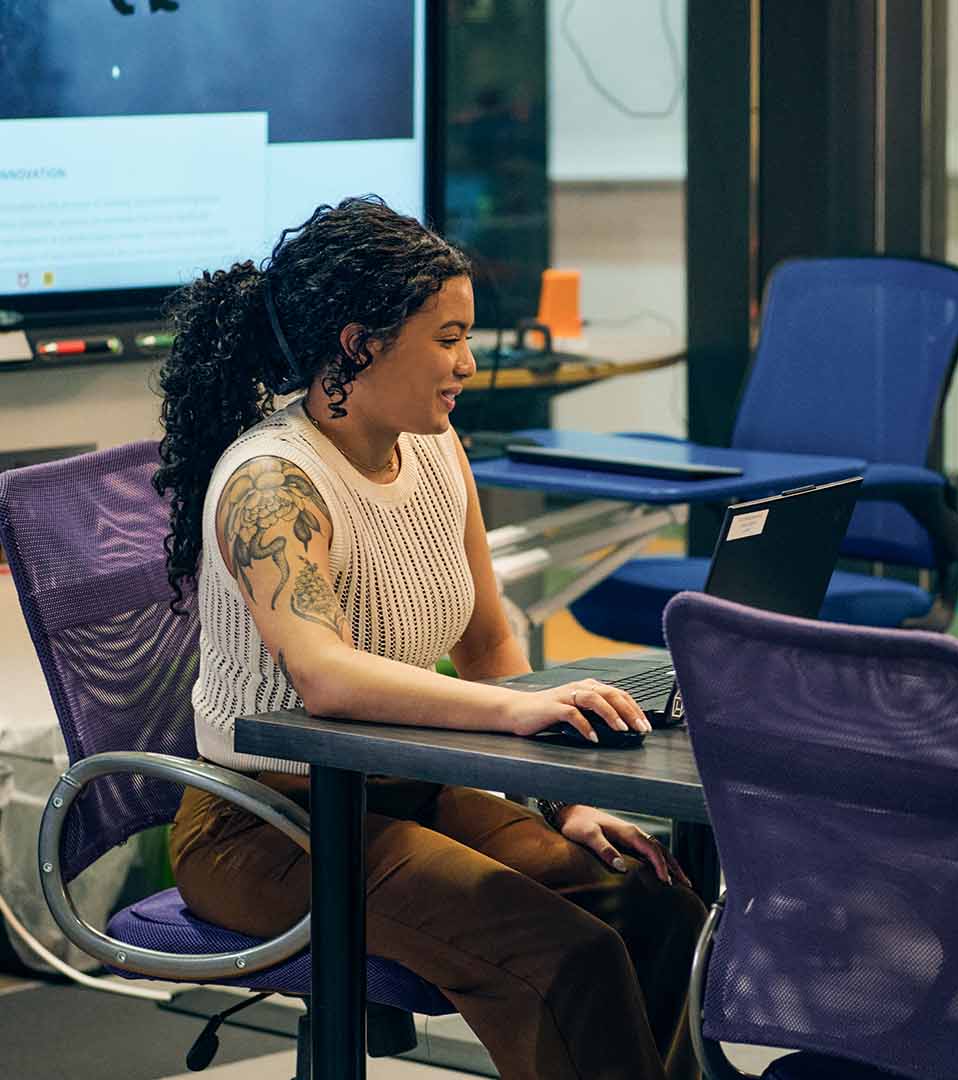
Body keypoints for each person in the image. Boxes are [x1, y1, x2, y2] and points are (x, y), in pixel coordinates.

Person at [153, 197, 704, 1080]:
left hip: (404, 788)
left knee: (650, 907)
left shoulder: (436, 448)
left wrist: (560, 799)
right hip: (264, 824)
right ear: (358, 343)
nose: (468, 363)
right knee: (561, 955)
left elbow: (489, 642)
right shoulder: (273, 484)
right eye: (448, 338)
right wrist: (518, 720)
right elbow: (326, 677)